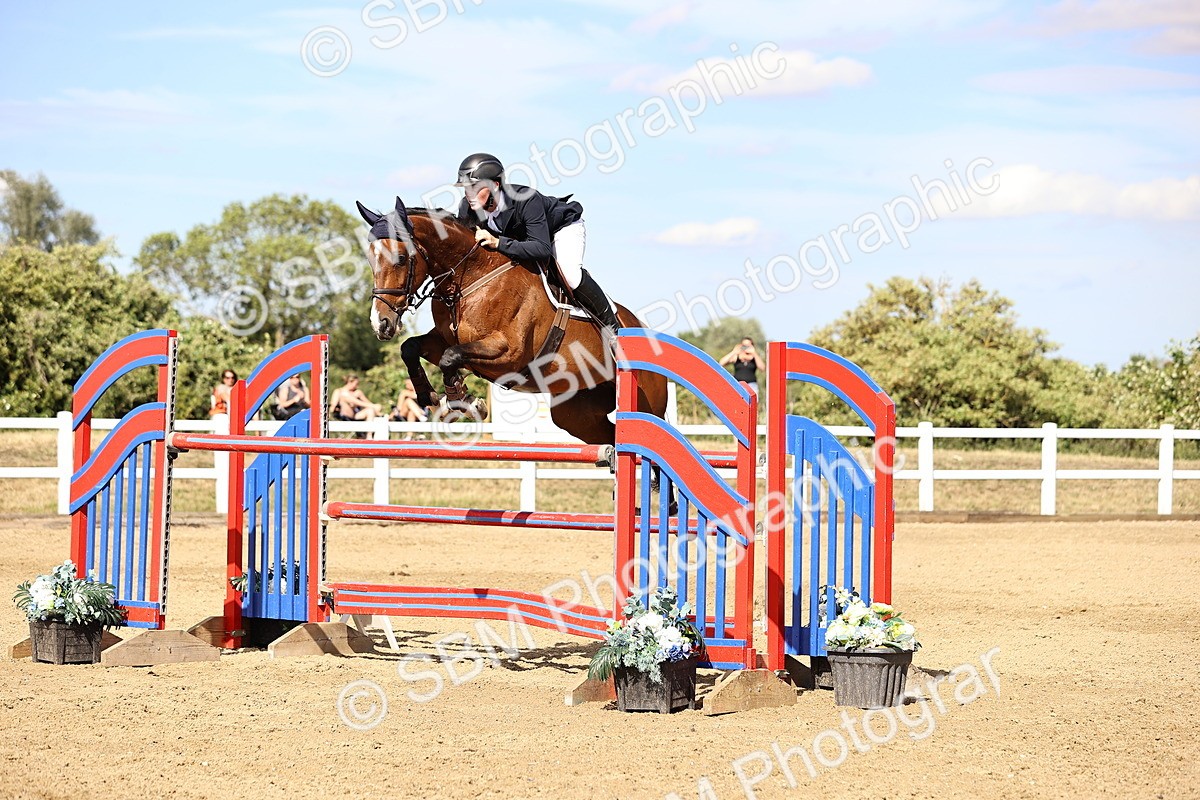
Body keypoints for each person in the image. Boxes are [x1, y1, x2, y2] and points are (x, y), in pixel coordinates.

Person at [453, 152, 620, 338]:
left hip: (560, 229)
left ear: (495, 185)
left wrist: (498, 242)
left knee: (570, 275)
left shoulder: (526, 199)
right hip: (526, 239)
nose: (469, 194)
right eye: (465, 188)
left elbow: (542, 249)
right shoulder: (467, 208)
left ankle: (614, 329)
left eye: (475, 188)